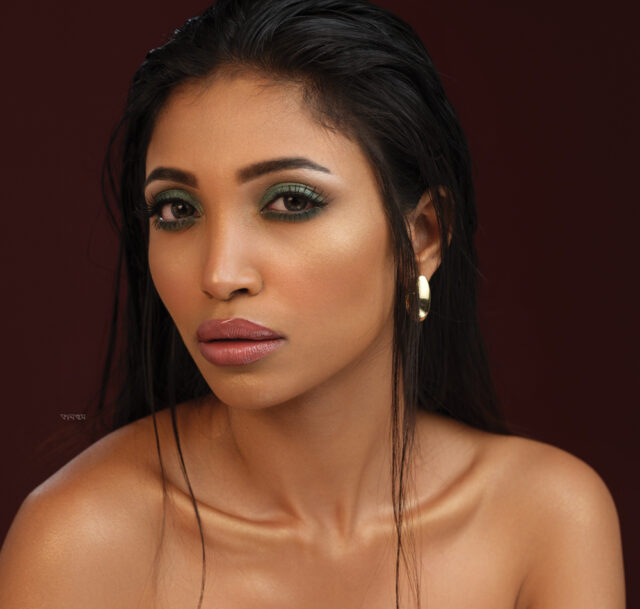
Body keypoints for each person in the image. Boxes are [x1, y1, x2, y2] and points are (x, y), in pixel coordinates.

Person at [0, 0, 625, 607]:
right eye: (177, 209)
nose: (220, 275)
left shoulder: (544, 519)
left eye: (292, 202)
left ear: (422, 235)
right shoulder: (82, 542)